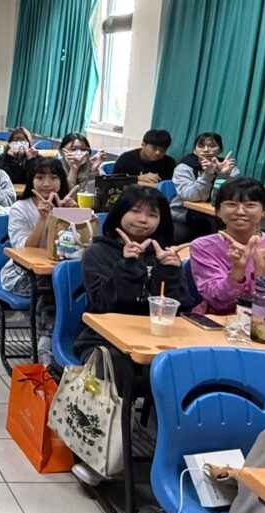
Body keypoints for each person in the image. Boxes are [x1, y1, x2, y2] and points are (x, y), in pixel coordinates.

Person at [71, 185, 194, 484]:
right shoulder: (99, 252)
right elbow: (104, 304)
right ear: (119, 214)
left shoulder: (164, 254)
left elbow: (180, 308)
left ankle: (182, 456)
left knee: (192, 371)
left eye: (152, 214)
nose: (143, 220)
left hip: (156, 341)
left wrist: (169, 272)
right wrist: (127, 264)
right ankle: (98, 455)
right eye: (135, 211)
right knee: (115, 367)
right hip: (103, 339)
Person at [0, 158, 77, 363]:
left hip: (59, 271)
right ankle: (47, 346)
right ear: (31, 181)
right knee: (54, 285)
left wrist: (74, 216)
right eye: (40, 177)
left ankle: (69, 343)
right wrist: (43, 220)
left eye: (53, 177)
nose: (47, 183)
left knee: (77, 286)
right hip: (22, 273)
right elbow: (23, 250)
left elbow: (80, 246)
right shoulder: (20, 208)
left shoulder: (67, 205)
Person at [189, 177, 265, 315]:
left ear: (264, 211)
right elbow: (217, 302)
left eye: (250, 205)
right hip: (221, 319)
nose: (240, 211)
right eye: (231, 204)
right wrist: (237, 271)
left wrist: (261, 273)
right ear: (218, 211)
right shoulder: (203, 247)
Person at [170, 132, 238, 242]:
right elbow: (191, 196)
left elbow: (231, 196)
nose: (206, 150)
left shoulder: (227, 166)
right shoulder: (184, 167)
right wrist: (207, 174)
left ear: (220, 149)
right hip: (185, 215)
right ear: (194, 150)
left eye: (212, 146)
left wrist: (223, 175)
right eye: (201, 146)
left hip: (216, 215)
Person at [112, 128, 176, 186]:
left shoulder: (169, 163)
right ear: (143, 144)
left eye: (163, 150)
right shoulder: (126, 159)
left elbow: (169, 186)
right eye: (154, 148)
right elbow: (114, 181)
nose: (158, 153)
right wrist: (138, 178)